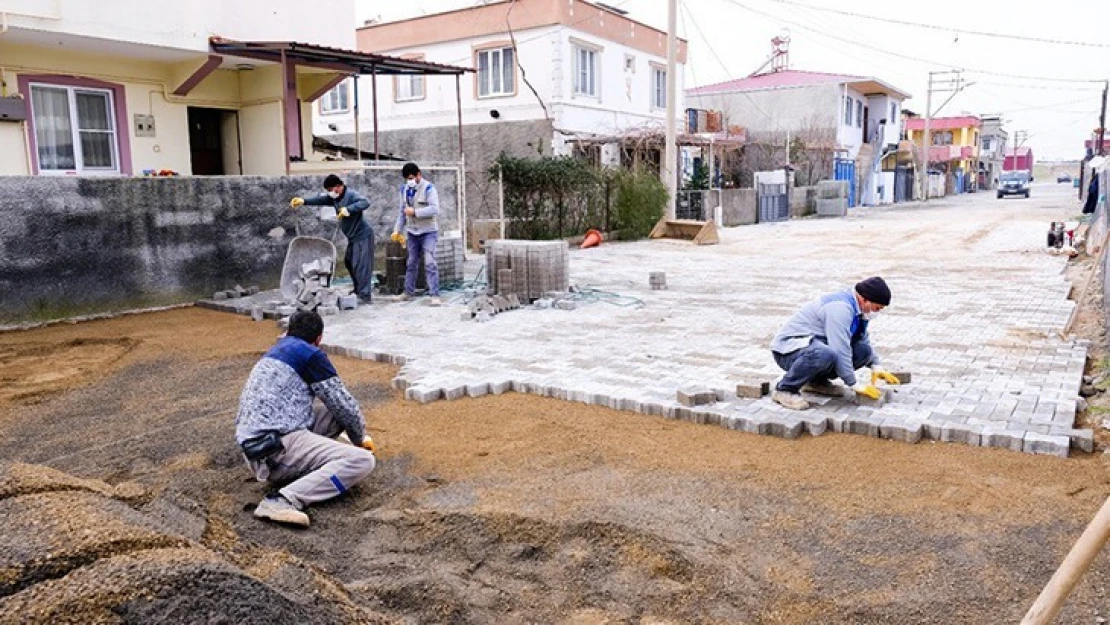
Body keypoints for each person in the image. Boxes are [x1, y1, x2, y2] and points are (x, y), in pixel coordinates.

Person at [235, 310, 377, 527]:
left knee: (333, 413)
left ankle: (310, 463)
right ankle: (282, 500)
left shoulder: (278, 349)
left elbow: (338, 409)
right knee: (361, 461)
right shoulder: (310, 354)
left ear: (289, 331)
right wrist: (360, 441)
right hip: (275, 449)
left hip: (257, 445)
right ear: (318, 339)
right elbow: (345, 405)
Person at [769, 276, 900, 410]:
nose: (877, 312)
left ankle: (815, 382)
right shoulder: (840, 308)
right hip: (788, 351)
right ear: (865, 299)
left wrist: (875, 365)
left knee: (863, 351)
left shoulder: (859, 311)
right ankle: (785, 389)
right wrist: (853, 383)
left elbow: (861, 339)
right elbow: (840, 349)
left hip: (814, 347)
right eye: (877, 308)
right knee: (824, 353)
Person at [291, 174, 374, 303]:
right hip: (352, 237)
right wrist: (304, 201)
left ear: (339, 186)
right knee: (349, 262)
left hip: (362, 235)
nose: (330, 193)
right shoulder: (335, 198)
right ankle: (358, 290)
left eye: (331, 189)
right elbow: (321, 200)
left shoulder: (351, 195)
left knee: (361, 265)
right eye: (328, 190)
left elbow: (365, 202)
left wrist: (349, 209)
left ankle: (365, 295)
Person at [392, 162, 441, 306]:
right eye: (407, 178)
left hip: (428, 231)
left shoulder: (429, 188)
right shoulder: (404, 190)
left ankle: (434, 294)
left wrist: (415, 212)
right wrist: (397, 230)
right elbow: (402, 211)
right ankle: (408, 292)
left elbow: (435, 209)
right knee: (411, 262)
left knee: (430, 262)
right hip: (412, 232)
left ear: (419, 174)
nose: (410, 180)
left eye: (412, 177)